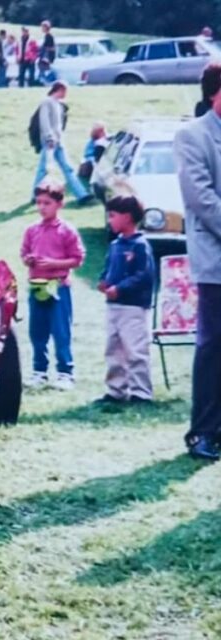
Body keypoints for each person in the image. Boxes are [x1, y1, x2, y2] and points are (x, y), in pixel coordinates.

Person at [174, 62, 221, 461]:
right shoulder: (192, 135)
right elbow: (201, 200)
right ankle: (203, 432)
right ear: (214, 94)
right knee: (213, 346)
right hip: (216, 261)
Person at [21, 179, 86, 390]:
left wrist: (54, 264)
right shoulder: (32, 230)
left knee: (60, 330)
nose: (42, 207)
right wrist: (29, 259)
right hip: (37, 285)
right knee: (37, 330)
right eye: (39, 202)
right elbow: (23, 253)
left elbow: (77, 258)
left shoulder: (67, 230)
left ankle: (65, 372)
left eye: (47, 203)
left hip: (58, 285)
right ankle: (39, 371)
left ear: (59, 204)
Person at [96, 196, 155, 406]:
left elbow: (144, 275)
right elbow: (108, 268)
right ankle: (116, 390)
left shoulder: (140, 245)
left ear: (128, 217)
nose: (109, 220)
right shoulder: (115, 245)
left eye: (112, 216)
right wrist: (103, 281)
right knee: (114, 349)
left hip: (133, 307)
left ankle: (141, 392)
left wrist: (120, 288)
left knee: (135, 349)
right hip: (113, 307)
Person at [33, 81, 91, 204]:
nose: (65, 94)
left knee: (67, 168)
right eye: (64, 91)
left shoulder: (59, 104)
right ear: (59, 89)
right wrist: (49, 137)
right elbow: (44, 122)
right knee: (43, 169)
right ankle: (35, 195)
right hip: (49, 141)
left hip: (59, 141)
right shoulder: (46, 102)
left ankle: (81, 195)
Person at [38, 20, 57, 85]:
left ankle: (48, 82)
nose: (42, 28)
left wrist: (47, 56)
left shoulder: (49, 36)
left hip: (47, 58)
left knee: (46, 71)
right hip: (44, 57)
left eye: (43, 27)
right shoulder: (46, 36)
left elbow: (52, 48)